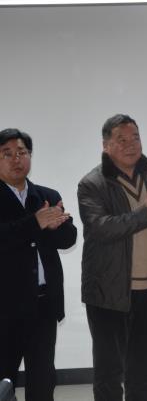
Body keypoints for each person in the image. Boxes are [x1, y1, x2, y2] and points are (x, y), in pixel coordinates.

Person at [77, 115, 147, 401]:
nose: (131, 144)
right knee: (109, 372)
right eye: (121, 139)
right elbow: (101, 228)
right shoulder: (92, 183)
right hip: (108, 291)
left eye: (135, 137)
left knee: (144, 368)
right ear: (106, 146)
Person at [0, 129, 76, 401]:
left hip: (43, 305)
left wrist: (57, 226)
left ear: (30, 156)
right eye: (7, 154)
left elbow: (69, 239)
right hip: (5, 309)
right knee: (3, 382)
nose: (16, 159)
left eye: (21, 152)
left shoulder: (46, 195)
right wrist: (36, 222)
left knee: (43, 381)